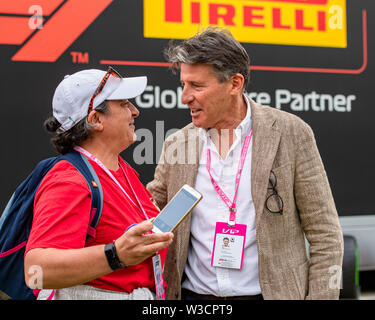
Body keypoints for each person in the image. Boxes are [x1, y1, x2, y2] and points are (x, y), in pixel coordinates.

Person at [147, 27, 344, 300]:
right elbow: (149, 213)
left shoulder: (291, 132)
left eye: (197, 86)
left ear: (234, 84)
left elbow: (326, 236)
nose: (185, 97)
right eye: (183, 84)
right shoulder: (177, 143)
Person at [24, 67, 173, 300]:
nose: (135, 111)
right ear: (95, 119)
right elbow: (36, 272)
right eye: (124, 103)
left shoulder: (122, 170)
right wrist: (116, 254)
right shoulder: (69, 179)